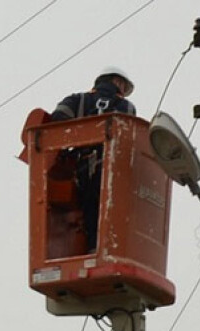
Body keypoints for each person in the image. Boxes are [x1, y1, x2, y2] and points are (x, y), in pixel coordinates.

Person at [50, 67, 137, 252]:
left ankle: (90, 248)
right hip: (113, 168)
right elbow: (129, 138)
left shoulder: (77, 100)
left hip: (85, 166)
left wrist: (75, 142)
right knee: (112, 211)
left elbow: (57, 120)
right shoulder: (127, 107)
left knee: (89, 206)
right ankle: (106, 248)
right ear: (117, 82)